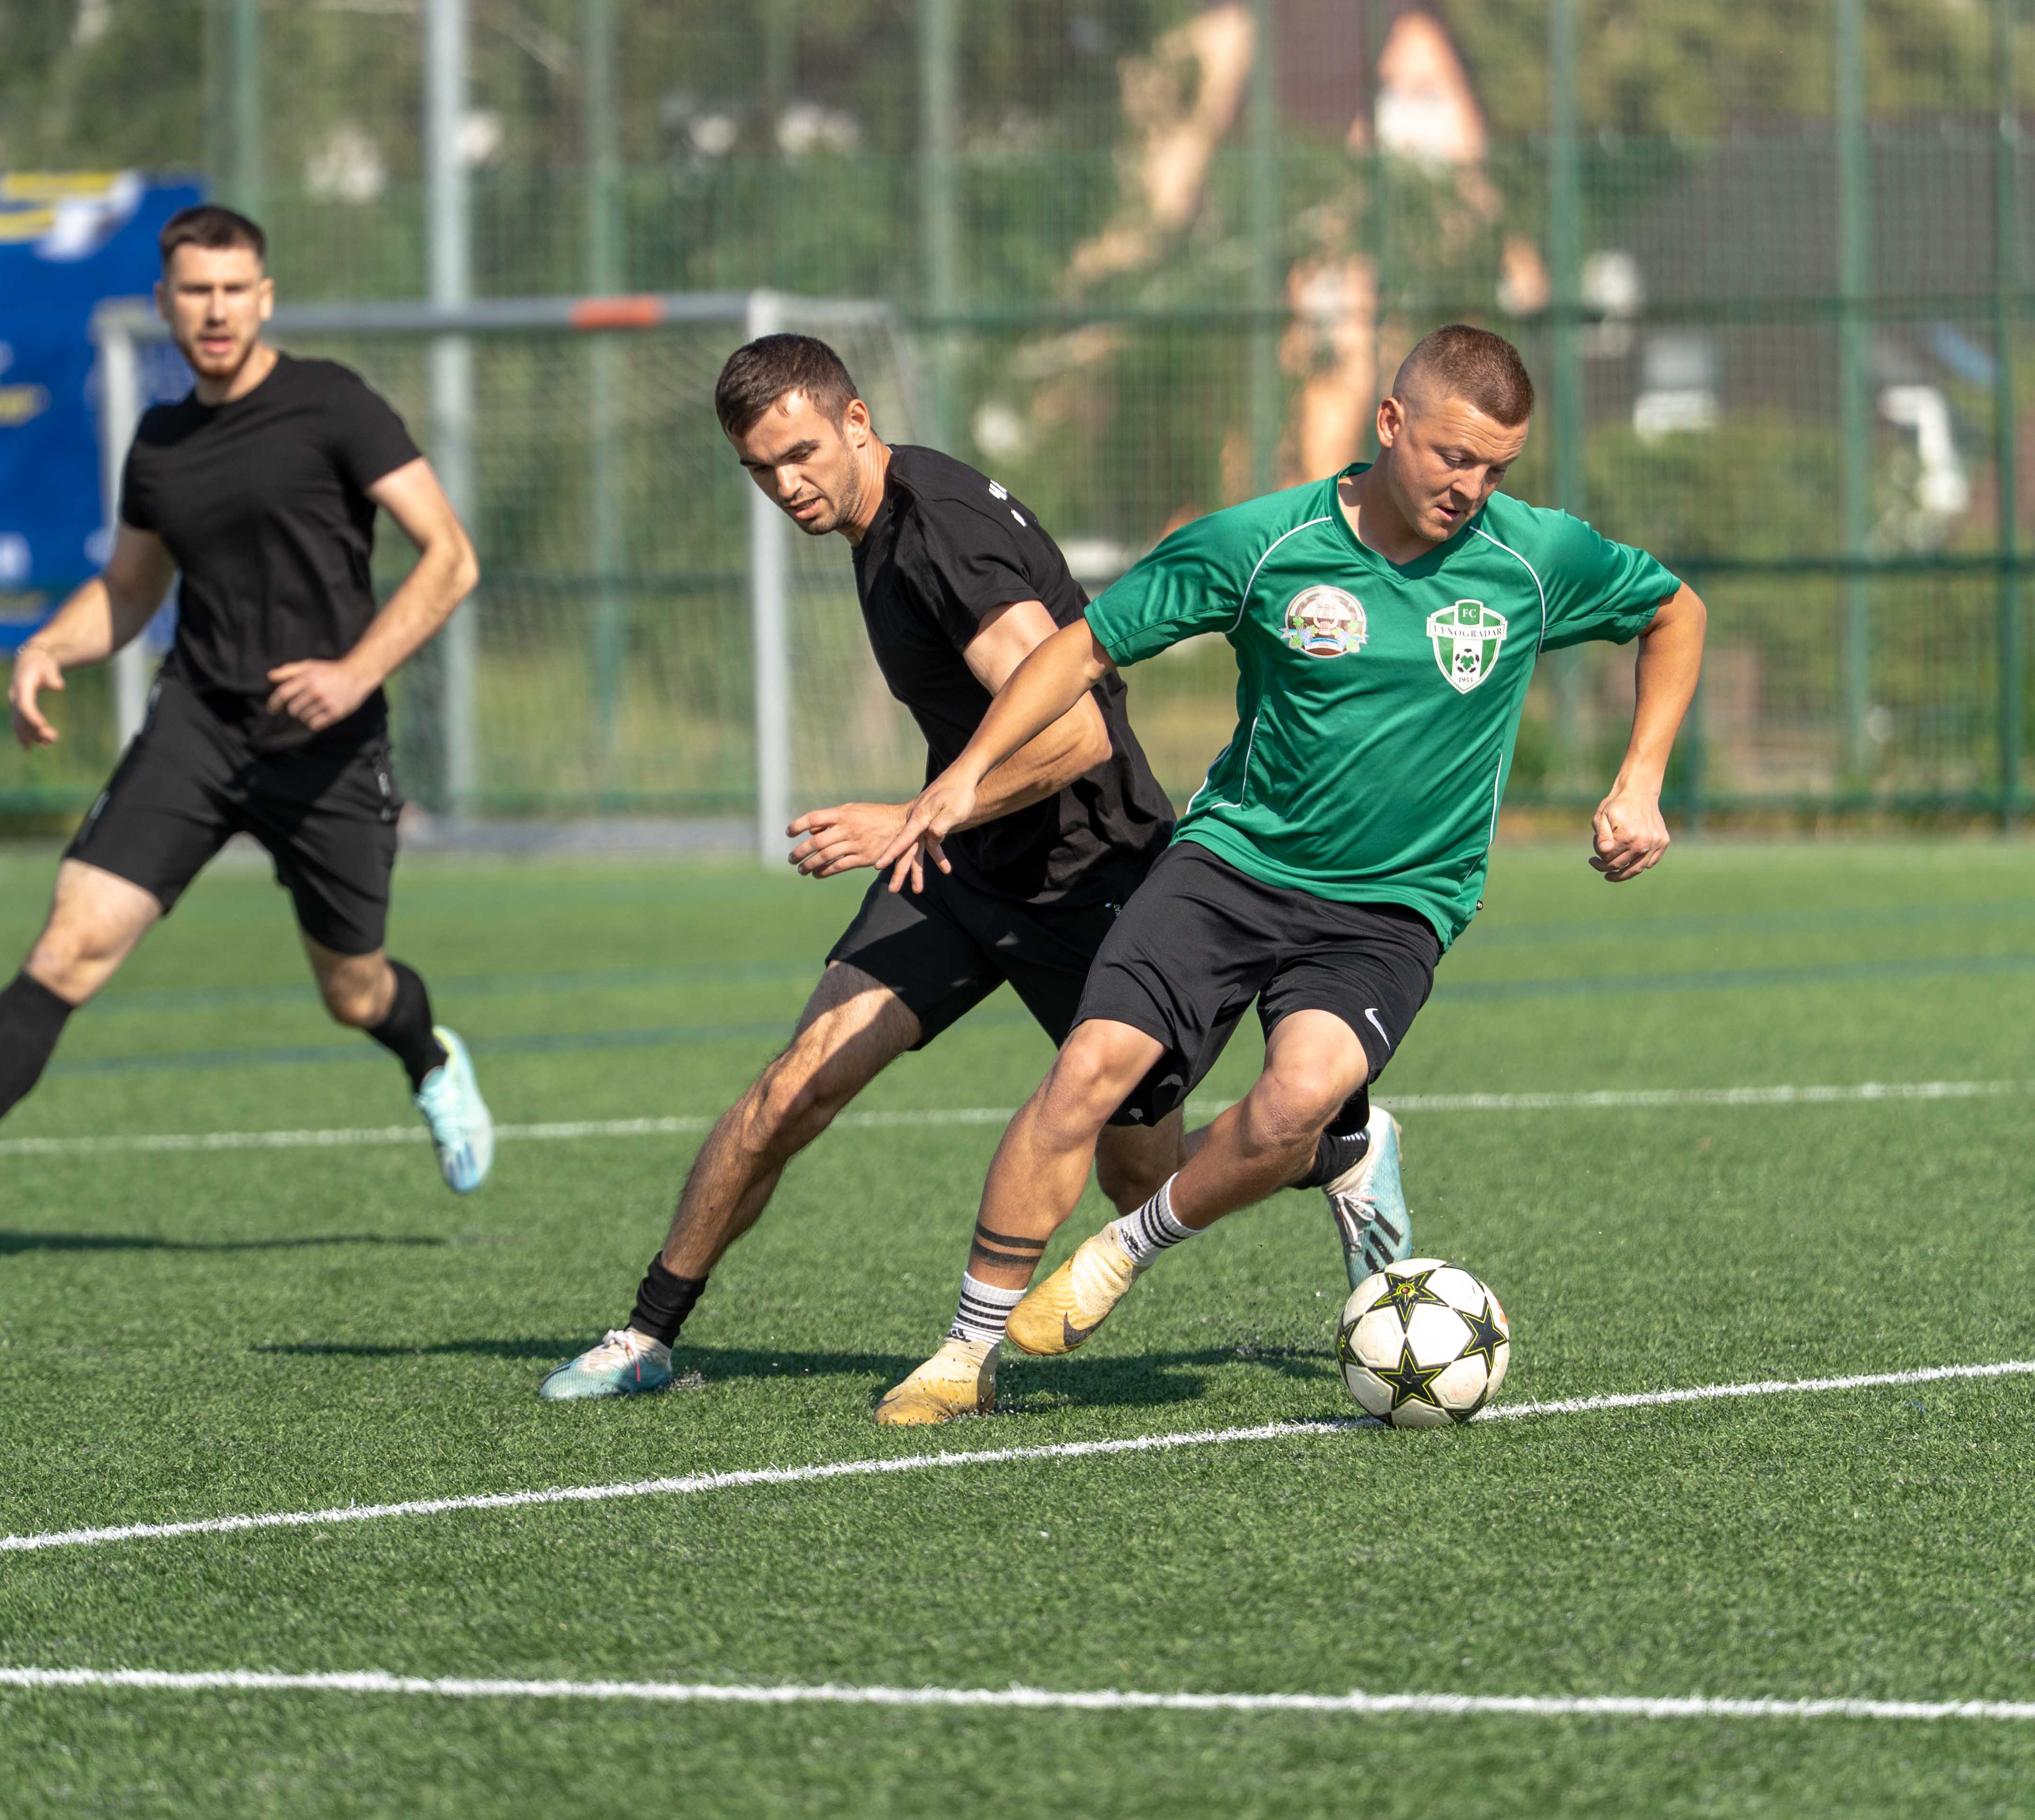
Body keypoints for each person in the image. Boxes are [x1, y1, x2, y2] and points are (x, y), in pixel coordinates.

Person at [537, 333, 1415, 1407]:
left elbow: (1075, 736)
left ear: (857, 422)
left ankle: (1337, 1153)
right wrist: (932, 823)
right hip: (959, 869)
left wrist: (912, 814)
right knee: (795, 1085)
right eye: (761, 470)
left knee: (1136, 1178)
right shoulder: (874, 522)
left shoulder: (940, 537)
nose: (786, 485)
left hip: (1090, 878)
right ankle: (646, 1335)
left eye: (802, 454)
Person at [871, 321, 1706, 1425]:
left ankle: (1126, 1249)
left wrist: (1639, 779)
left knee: (1297, 1099)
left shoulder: (1529, 558)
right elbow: (1079, 648)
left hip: (1394, 905)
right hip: (1229, 868)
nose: (1470, 488)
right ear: (1390, 423)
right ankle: (964, 1352)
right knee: (1087, 1077)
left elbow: (1672, 611)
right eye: (1453, 456)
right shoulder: (1263, 543)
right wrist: (967, 775)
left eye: (1495, 468)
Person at [0, 201, 493, 1272]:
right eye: (197, 292)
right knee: (67, 947)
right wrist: (47, 645)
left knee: (352, 990)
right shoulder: (160, 441)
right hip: (196, 727)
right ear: (167, 303)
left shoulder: (333, 403)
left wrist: (353, 674)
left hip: (327, 750)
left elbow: (450, 556)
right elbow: (131, 589)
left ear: (265, 297)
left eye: (235, 290)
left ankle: (427, 1056)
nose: (217, 310)